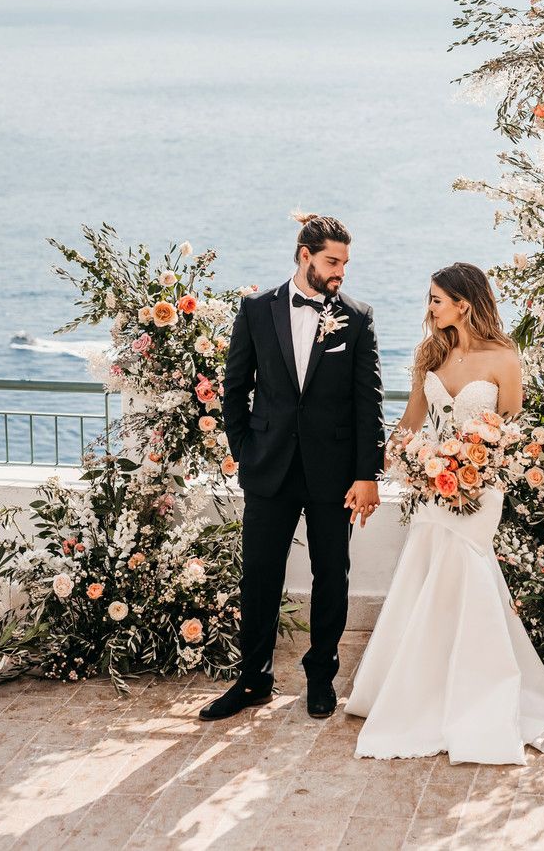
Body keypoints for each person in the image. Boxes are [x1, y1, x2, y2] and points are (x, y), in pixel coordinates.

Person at [344, 262, 544, 763]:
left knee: (467, 574)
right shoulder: (430, 353)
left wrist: (475, 461)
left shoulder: (503, 357)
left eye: (435, 299)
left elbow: (511, 431)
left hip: (481, 491)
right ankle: (423, 691)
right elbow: (411, 421)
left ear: (463, 303)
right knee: (429, 576)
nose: (428, 308)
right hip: (432, 487)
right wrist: (378, 468)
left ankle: (478, 695)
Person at [199, 212, 385, 722]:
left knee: (333, 575)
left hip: (334, 474)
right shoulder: (257, 309)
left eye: (345, 262)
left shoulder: (357, 316)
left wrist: (367, 473)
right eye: (332, 261)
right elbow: (234, 388)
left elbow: (368, 402)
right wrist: (244, 449)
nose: (340, 271)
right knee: (259, 575)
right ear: (305, 256)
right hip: (269, 469)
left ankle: (321, 676)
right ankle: (252, 679)